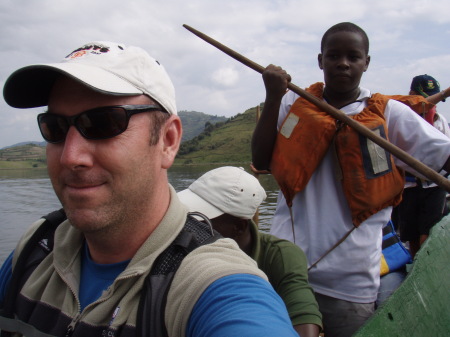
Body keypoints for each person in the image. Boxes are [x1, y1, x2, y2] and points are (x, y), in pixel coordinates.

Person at [0, 41, 298, 337]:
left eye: (103, 123)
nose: (70, 156)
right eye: (55, 128)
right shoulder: (37, 248)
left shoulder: (210, 285)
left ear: (168, 140)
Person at [251, 22, 450, 337]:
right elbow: (261, 161)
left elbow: (444, 156)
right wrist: (273, 97)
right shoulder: (294, 103)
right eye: (333, 55)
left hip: (350, 281)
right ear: (321, 61)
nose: (343, 62)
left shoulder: (390, 114)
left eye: (353, 56)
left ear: (366, 63)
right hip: (286, 270)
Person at [177, 166, 323, 337]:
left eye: (203, 221)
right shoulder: (184, 248)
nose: (190, 225)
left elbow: (304, 317)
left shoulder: (280, 255)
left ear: (239, 227)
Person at [396, 74, 450, 258]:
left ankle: (424, 264)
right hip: (409, 185)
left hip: (434, 185)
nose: (430, 102)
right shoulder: (403, 116)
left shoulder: (439, 120)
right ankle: (413, 268)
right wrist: (445, 93)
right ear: (412, 94)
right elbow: (421, 104)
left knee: (428, 232)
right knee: (410, 233)